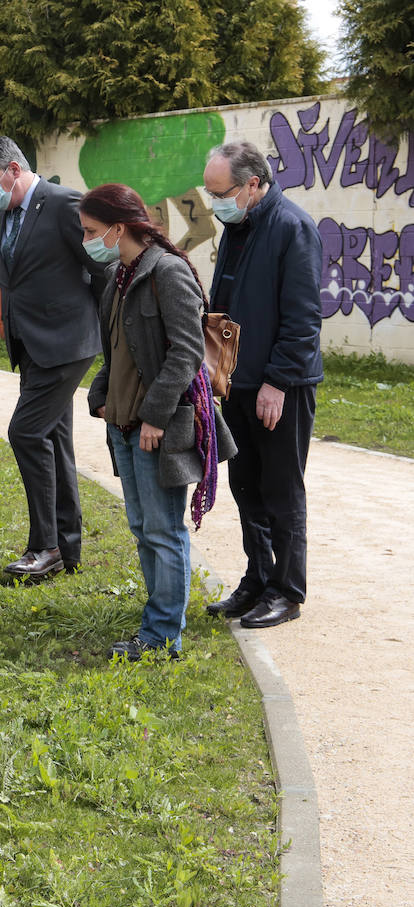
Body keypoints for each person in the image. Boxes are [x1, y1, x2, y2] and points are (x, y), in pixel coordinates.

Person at [80, 183, 236, 661]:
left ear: (118, 228)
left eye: (90, 231)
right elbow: (117, 349)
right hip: (123, 426)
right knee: (142, 526)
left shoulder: (166, 272)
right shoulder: (118, 275)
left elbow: (187, 353)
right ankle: (155, 625)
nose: (85, 239)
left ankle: (164, 636)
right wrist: (101, 397)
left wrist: (155, 417)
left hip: (156, 429)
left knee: (164, 530)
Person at [200, 141, 322, 629]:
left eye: (221, 192)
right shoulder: (237, 225)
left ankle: (287, 591)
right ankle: (258, 577)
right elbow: (222, 303)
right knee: (245, 484)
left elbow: (303, 319)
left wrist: (277, 382)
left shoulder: (293, 228)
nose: (215, 203)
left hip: (279, 387)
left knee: (280, 487)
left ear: (252, 184)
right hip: (236, 381)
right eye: (209, 193)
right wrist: (213, 370)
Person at [0, 138, 105, 581]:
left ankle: (44, 547)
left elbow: (103, 270)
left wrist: (105, 335)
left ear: (13, 169)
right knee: (52, 440)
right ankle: (67, 549)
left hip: (67, 343)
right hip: (30, 346)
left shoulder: (66, 204)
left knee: (25, 432)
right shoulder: (2, 208)